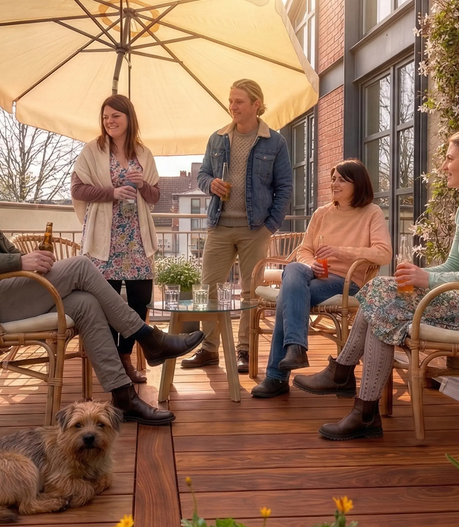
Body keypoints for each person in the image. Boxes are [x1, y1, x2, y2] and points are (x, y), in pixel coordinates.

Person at [0, 137, 203, 425]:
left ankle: (123, 398)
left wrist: (30, 260)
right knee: (82, 266)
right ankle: (149, 339)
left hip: (4, 291)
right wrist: (19, 262)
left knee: (85, 303)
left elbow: (6, 252)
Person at [294, 129, 459, 440]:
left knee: (382, 298)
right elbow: (453, 267)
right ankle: (360, 406)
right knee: (383, 292)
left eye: (449, 158)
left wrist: (429, 279)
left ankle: (348, 385)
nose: (444, 165)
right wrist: (415, 275)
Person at [252, 159, 391, 398]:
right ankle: (295, 349)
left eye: (341, 180)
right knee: (294, 268)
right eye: (333, 179)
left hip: (347, 281)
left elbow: (383, 253)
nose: (334, 184)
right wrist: (310, 263)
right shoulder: (322, 213)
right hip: (313, 274)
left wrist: (340, 251)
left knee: (287, 295)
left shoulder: (372, 213)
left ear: (356, 183)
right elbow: (305, 249)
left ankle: (277, 375)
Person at [182, 79, 293, 373]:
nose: (233, 106)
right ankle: (208, 349)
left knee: (250, 291)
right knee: (209, 288)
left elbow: (285, 188)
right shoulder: (217, 138)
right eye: (231, 101)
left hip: (255, 228)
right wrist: (210, 184)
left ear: (256, 104)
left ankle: (245, 350)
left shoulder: (275, 142)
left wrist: (270, 225)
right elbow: (202, 175)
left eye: (239, 101)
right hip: (219, 225)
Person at [71, 95, 160, 385]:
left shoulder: (144, 154)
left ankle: (125, 357)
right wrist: (112, 192)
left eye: (115, 116)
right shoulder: (93, 150)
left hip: (136, 237)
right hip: (104, 239)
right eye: (106, 117)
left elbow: (155, 196)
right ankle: (111, 364)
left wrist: (144, 184)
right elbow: (78, 189)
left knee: (140, 301)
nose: (109, 121)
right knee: (105, 303)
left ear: (129, 118)